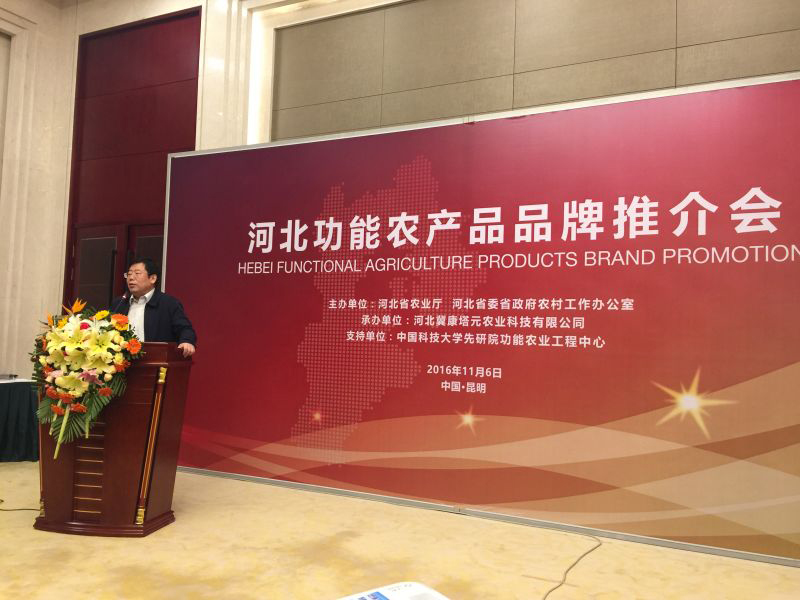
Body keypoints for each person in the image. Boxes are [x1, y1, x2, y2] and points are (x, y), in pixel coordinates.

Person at [110, 258, 196, 357]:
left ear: (152, 278)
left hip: (156, 360)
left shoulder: (168, 303)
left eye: (137, 273)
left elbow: (185, 329)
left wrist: (187, 341)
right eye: (128, 274)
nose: (131, 278)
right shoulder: (119, 303)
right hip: (123, 360)